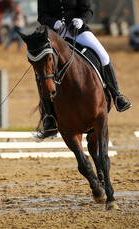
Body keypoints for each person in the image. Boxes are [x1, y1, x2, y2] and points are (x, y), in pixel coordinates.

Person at [37, 0, 132, 132]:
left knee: (104, 57)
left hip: (78, 31)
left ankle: (117, 96)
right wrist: (54, 23)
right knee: (41, 67)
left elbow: (88, 10)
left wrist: (81, 20)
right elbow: (42, 16)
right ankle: (49, 115)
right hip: (56, 35)